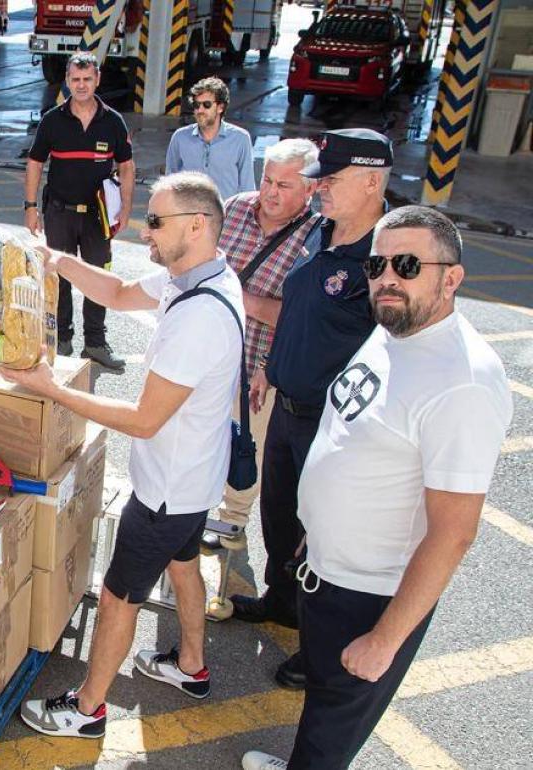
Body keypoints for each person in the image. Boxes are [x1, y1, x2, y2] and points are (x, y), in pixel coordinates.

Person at [241, 207, 512, 770]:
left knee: (329, 732)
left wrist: (385, 640)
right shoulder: (392, 330)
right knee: (320, 696)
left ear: (452, 278)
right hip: (325, 569)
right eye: (377, 263)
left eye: (407, 264)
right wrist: (312, 532)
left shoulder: (462, 382)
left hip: (369, 597)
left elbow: (454, 534)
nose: (387, 277)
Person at [12, 173, 242, 737]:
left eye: (157, 222)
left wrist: (53, 391)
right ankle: (191, 666)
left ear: (198, 225)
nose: (146, 232)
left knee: (119, 595)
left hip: (168, 489)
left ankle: (88, 708)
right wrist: (56, 259)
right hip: (193, 480)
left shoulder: (199, 316)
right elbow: (114, 294)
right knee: (184, 567)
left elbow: (144, 419)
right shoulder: (192, 278)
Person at [240, 129, 391, 683]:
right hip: (287, 405)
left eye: (332, 179)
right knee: (279, 518)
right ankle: (281, 601)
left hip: (336, 425)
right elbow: (300, 309)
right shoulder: (320, 231)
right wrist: (269, 366)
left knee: (324, 541)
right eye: (319, 178)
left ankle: (320, 649)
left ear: (373, 182)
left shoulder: (388, 256)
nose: (320, 188)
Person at [211, 139, 321, 537]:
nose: (270, 193)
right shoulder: (235, 208)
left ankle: (231, 526)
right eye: (267, 180)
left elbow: (299, 318)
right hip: (209, 353)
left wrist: (241, 300)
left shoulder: (317, 238)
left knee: (245, 449)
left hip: (259, 369)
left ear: (310, 189)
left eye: (284, 185)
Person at [24, 51, 134, 371]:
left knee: (98, 279)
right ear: (68, 81)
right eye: (75, 79)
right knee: (59, 277)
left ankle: (96, 343)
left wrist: (126, 209)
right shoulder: (52, 120)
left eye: (87, 79)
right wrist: (31, 207)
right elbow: (34, 163)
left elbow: (126, 167)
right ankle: (62, 340)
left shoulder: (113, 121)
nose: (81, 85)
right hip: (59, 212)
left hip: (98, 217)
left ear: (97, 79)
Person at [165, 77, 256, 201]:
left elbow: (248, 188)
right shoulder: (180, 137)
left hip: (225, 215)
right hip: (189, 215)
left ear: (220, 107)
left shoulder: (240, 139)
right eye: (196, 105)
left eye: (206, 105)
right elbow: (169, 182)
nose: (200, 110)